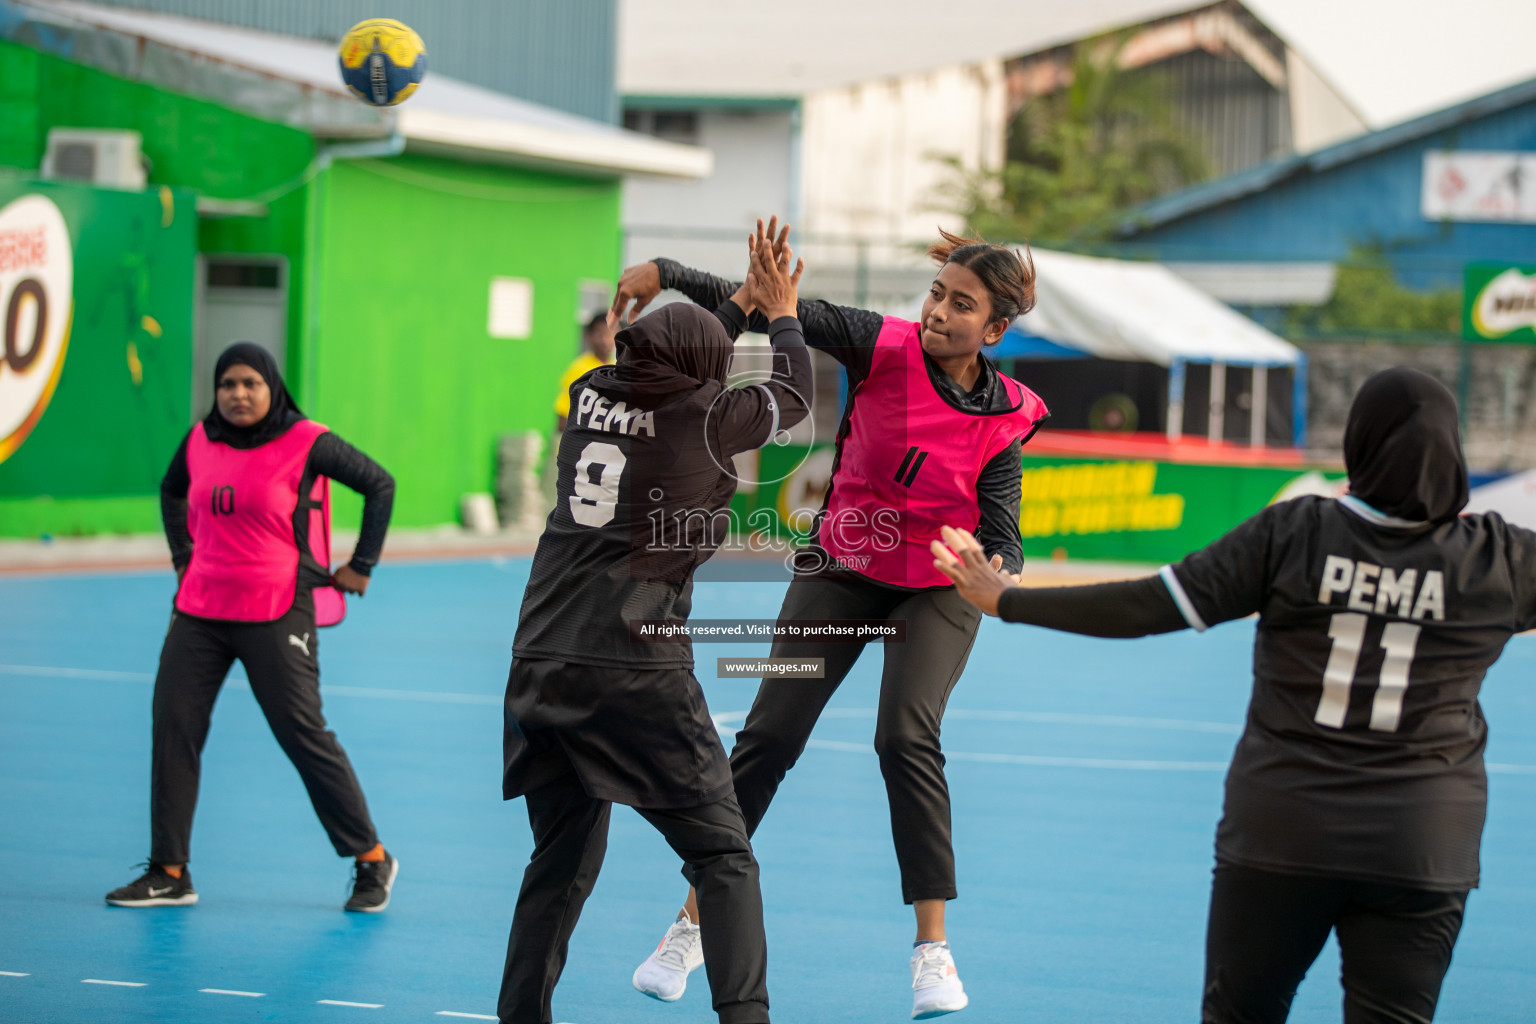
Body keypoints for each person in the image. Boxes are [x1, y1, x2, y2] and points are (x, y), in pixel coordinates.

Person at [933, 367, 1517, 1024]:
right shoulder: (1499, 559)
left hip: (1284, 831)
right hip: (1425, 842)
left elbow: (1148, 605)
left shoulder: (1297, 533)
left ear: (1359, 441)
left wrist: (1008, 600)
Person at [611, 220, 1048, 1019]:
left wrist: (1000, 569)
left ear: (995, 328)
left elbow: (1002, 523)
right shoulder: (880, 344)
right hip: (842, 567)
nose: (939, 311)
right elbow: (766, 304)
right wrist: (667, 270)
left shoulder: (1008, 415)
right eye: (937, 294)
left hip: (938, 584)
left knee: (905, 736)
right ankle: (689, 928)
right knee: (770, 736)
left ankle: (933, 952)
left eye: (962, 305)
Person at [500, 235, 813, 1024]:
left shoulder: (594, 390)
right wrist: (779, 315)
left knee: (560, 858)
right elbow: (795, 394)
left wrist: (732, 301)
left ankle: (520, 1017)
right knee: (723, 855)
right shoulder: (703, 419)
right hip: (632, 670)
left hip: (540, 660)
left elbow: (680, 347)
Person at [106, 343, 399, 913]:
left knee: (302, 734)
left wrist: (361, 564)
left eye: (250, 384)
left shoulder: (306, 440)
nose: (238, 395)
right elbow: (171, 492)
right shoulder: (198, 440)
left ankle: (371, 859)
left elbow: (379, 484)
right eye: (227, 385)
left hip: (274, 606)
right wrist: (182, 558)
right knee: (173, 726)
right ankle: (169, 870)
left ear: (271, 387)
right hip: (199, 608)